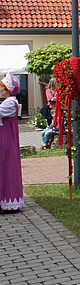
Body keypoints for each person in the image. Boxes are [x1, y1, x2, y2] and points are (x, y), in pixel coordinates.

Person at [0, 73, 24, 211]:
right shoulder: (8, 102)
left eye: (2, 87)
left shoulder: (10, 103)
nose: (0, 90)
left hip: (6, 140)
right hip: (5, 139)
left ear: (8, 90)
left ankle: (7, 200)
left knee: (6, 167)